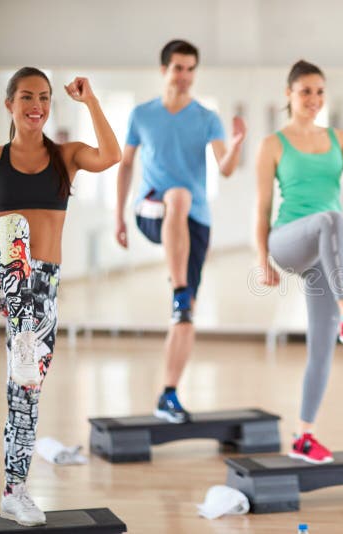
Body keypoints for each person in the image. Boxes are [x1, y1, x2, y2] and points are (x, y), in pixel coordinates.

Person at [0, 68, 120, 526]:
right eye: (27, 96)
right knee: (15, 241)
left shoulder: (64, 156)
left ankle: (15, 491)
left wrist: (89, 101)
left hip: (42, 287)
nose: (37, 105)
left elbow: (110, 155)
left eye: (45, 98)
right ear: (10, 103)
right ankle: (24, 332)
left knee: (26, 393)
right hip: (5, 271)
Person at [115, 39, 246, 423]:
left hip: (194, 221)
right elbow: (125, 165)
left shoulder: (207, 117)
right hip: (152, 209)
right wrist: (119, 217)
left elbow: (224, 167)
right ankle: (177, 289)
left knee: (185, 317)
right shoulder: (142, 114)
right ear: (164, 70)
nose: (185, 76)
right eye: (178, 68)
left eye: (191, 68)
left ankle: (168, 393)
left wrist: (235, 145)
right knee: (177, 194)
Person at [254, 60, 343, 465]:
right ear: (288, 94)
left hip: (324, 252)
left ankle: (304, 436)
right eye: (305, 91)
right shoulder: (273, 144)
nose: (313, 99)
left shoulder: (339, 139)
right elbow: (262, 210)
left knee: (321, 349)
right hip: (288, 240)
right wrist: (262, 260)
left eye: (320, 91)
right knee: (331, 217)